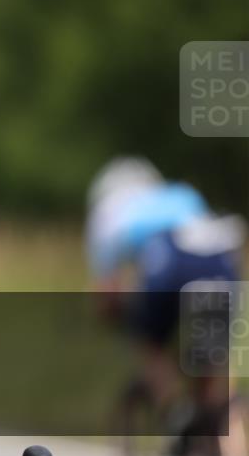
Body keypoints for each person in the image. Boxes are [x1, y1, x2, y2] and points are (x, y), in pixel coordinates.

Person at [85, 156, 245, 455]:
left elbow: (108, 288)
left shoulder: (107, 212)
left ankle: (177, 414)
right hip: (222, 262)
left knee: (149, 341)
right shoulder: (182, 194)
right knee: (213, 364)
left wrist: (117, 317)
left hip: (171, 262)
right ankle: (226, 430)